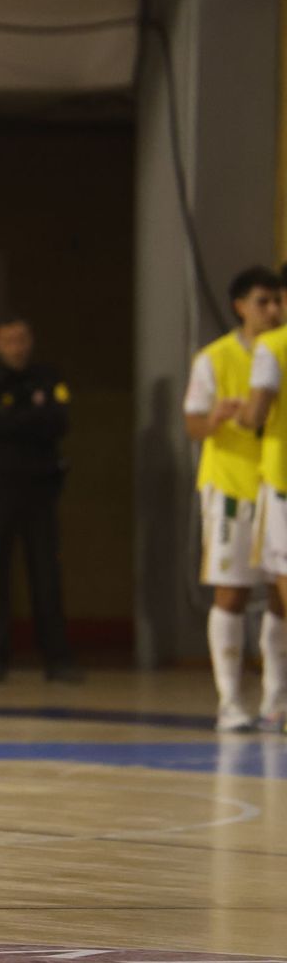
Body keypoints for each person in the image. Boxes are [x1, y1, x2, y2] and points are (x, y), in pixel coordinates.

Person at [185, 268, 283, 731]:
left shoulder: (278, 348)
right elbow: (193, 424)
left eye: (276, 301)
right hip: (230, 484)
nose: (272, 310)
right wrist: (221, 418)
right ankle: (230, 700)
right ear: (240, 305)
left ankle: (275, 700)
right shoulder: (214, 358)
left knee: (280, 595)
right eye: (263, 301)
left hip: (272, 481)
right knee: (232, 590)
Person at [0, 318, 80, 683]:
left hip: (40, 490)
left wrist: (14, 417)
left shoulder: (48, 377)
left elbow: (58, 421)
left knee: (47, 574)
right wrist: (29, 417)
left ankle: (57, 659)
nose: (16, 346)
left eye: (22, 339)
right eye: (8, 340)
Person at [231, 279, 287, 733]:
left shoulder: (273, 346)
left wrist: (241, 412)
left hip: (283, 478)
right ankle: (274, 699)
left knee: (283, 587)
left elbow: (256, 412)